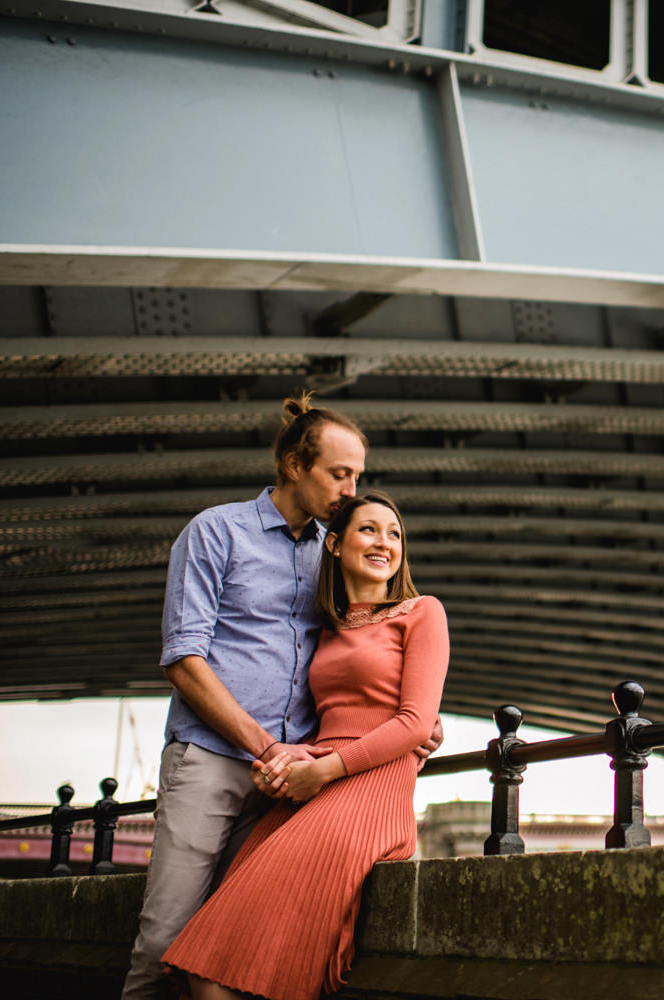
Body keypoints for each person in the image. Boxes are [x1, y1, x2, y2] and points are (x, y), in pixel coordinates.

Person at [122, 393, 441, 1000]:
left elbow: (368, 658)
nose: (351, 490)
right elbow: (183, 662)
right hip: (222, 760)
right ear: (296, 466)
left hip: (296, 781)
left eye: (358, 476)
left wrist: (419, 719)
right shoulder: (217, 532)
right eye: (339, 474)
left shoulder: (335, 549)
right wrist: (271, 749)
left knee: (243, 939)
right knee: (165, 938)